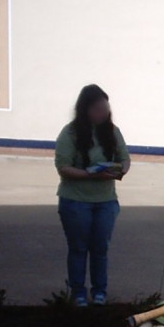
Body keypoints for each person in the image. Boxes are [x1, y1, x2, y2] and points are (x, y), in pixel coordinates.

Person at [55, 84, 130, 307]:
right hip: (76, 200)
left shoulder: (112, 131)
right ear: (85, 109)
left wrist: (120, 170)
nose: (102, 113)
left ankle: (99, 292)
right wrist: (89, 174)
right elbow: (63, 167)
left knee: (100, 248)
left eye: (105, 109)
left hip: (106, 200)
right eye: (97, 109)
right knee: (78, 248)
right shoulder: (70, 133)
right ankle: (78, 292)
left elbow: (125, 158)